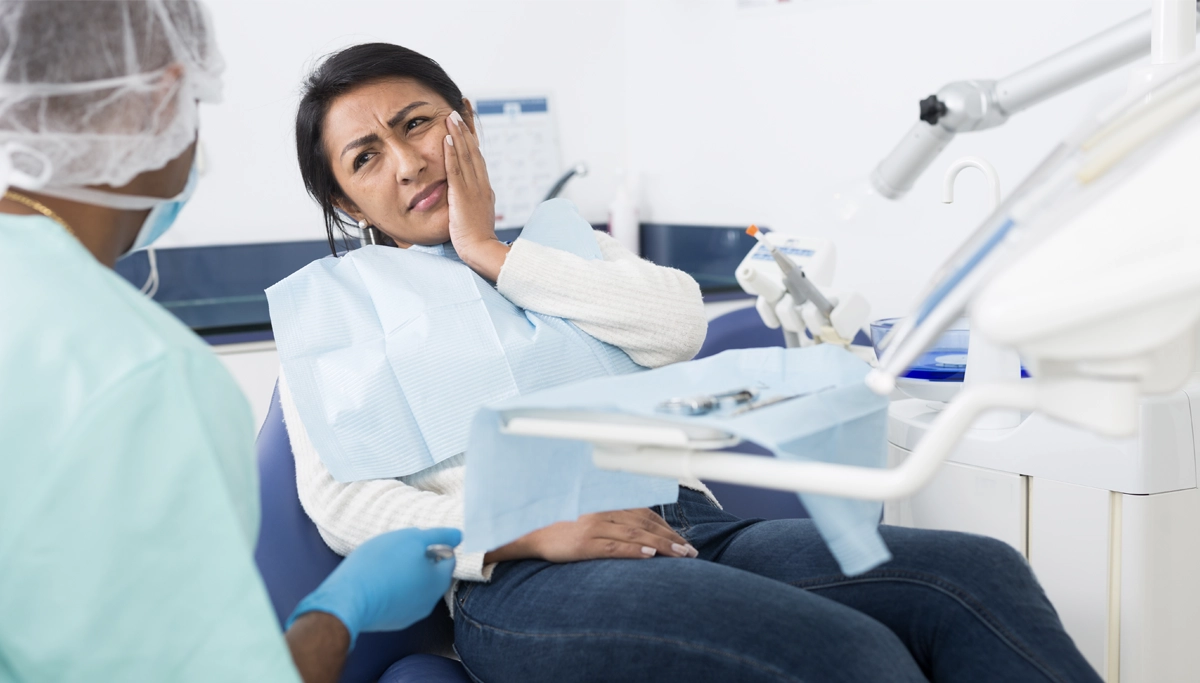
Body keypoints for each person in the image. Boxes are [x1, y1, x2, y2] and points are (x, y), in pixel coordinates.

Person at [278, 40, 1103, 683]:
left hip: (692, 525)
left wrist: (493, 251)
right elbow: (343, 503)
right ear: (348, 203)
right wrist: (526, 532)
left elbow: (677, 326)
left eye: (416, 123)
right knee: (842, 650)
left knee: (973, 575)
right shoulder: (334, 326)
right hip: (532, 578)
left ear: (463, 119)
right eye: (366, 156)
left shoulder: (562, 249)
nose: (409, 161)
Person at [0, 3, 458, 682]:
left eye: (417, 123)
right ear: (162, 98)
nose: (408, 164)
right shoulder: (141, 371)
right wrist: (338, 611)